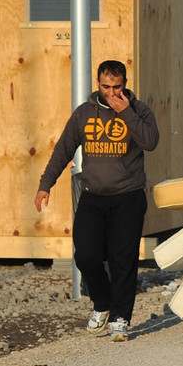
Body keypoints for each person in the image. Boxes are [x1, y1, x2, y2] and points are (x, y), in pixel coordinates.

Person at [35, 60, 159, 342]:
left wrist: (125, 112)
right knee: (86, 256)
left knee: (122, 259)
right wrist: (45, 185)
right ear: (98, 83)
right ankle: (102, 304)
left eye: (117, 87)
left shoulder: (139, 111)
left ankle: (120, 318)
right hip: (93, 196)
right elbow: (63, 150)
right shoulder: (84, 114)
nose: (111, 93)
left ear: (125, 84)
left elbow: (151, 142)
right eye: (106, 87)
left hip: (128, 196)